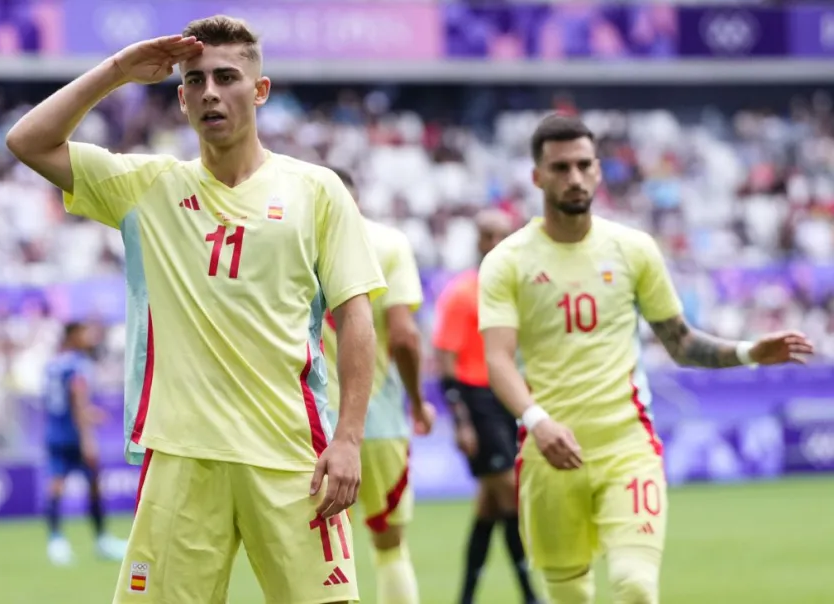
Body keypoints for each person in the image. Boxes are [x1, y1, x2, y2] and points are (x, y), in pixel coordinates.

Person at [7, 15, 386, 604]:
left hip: (291, 455)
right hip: (181, 457)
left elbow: (355, 316)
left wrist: (349, 439)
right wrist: (117, 71)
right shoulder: (147, 186)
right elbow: (27, 141)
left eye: (227, 76)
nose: (211, 91)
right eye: (196, 80)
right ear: (181, 98)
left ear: (259, 90)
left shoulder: (317, 190)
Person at [478, 113, 814, 604]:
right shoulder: (507, 261)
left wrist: (748, 352)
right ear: (537, 177)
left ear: (598, 170)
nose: (573, 177)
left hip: (627, 448)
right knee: (568, 595)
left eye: (583, 165)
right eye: (560, 167)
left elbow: (680, 343)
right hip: (547, 452)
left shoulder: (633, 250)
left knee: (636, 587)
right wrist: (538, 420)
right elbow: (498, 361)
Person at [321, 168, 436, 604]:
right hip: (382, 420)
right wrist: (419, 402)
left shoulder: (295, 243)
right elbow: (404, 336)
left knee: (326, 554)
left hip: (316, 428)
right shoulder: (388, 243)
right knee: (390, 549)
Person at [433, 209, 539, 604]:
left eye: (501, 234)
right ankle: (530, 594)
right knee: (510, 493)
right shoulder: (462, 293)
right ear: (478, 241)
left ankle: (465, 597)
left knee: (490, 506)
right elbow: (444, 357)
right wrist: (460, 420)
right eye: (487, 235)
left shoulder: (516, 291)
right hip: (477, 402)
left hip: (507, 400)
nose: (494, 242)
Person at [43, 322, 126, 565]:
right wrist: (88, 438)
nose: (89, 338)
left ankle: (56, 541)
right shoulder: (79, 365)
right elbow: (78, 399)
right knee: (92, 485)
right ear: (72, 336)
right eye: (84, 333)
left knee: (57, 484)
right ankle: (102, 540)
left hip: (54, 431)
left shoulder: (52, 365)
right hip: (75, 434)